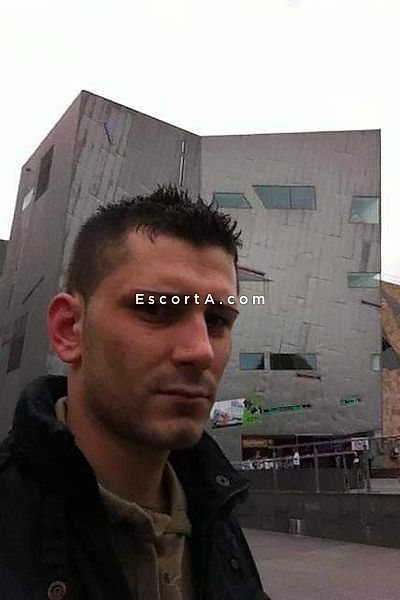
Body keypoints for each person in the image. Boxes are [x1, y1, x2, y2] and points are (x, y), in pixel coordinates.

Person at [0, 186, 269, 599]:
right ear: (69, 329)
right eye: (156, 308)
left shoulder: (217, 516)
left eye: (217, 320)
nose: (201, 350)